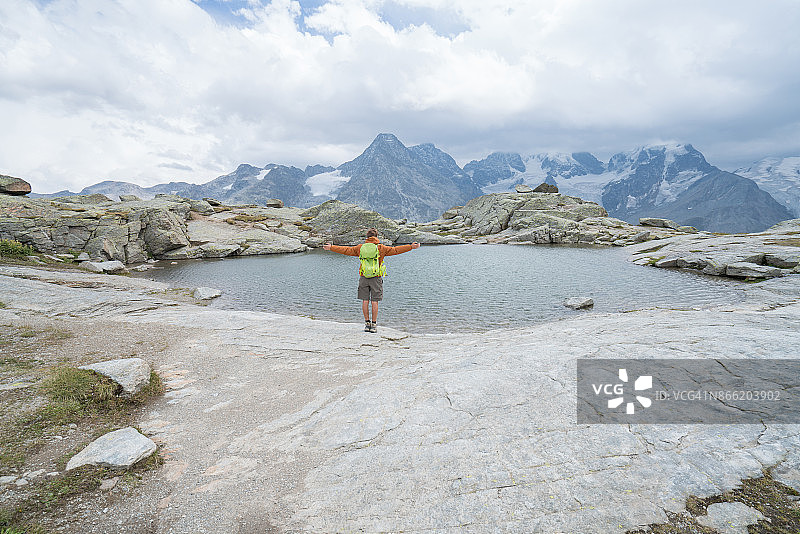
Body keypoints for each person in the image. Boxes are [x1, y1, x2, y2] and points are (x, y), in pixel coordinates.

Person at [323, 228, 420, 333]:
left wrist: (331, 247)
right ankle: (374, 325)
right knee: (375, 301)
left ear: (367, 237)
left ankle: (367, 323)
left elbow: (346, 250)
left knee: (365, 301)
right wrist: (411, 247)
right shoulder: (381, 248)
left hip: (364, 277)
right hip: (376, 278)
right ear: (376, 237)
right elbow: (396, 250)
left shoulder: (360, 248)